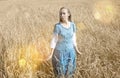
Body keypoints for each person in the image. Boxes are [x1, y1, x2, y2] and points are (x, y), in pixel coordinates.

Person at [49, 7, 82, 78]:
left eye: (64, 13)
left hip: (71, 53)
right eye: (60, 14)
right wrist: (51, 54)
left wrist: (77, 50)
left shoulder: (72, 25)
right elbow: (54, 40)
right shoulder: (57, 26)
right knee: (60, 74)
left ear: (68, 14)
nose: (62, 15)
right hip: (59, 53)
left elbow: (74, 38)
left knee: (69, 73)